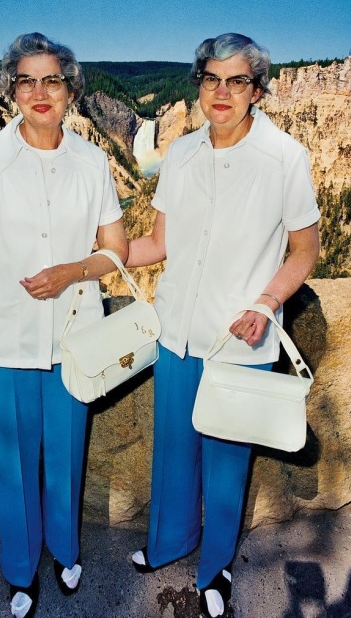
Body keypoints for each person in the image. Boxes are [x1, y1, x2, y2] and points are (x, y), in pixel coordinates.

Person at [126, 33, 320, 618]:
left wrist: (266, 303)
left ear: (257, 89)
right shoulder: (180, 154)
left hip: (239, 336)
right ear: (199, 84)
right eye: (212, 78)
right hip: (176, 329)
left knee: (228, 458)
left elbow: (305, 250)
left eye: (237, 81)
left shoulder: (285, 157)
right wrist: (97, 247)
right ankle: (169, 543)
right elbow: (158, 243)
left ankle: (215, 570)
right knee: (174, 449)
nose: (222, 91)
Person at [0, 32, 128, 618]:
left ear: (71, 89)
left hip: (74, 341)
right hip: (4, 342)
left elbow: (117, 252)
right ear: (11, 90)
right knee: (15, 465)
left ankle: (66, 551)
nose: (39, 92)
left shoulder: (93, 161)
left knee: (68, 456)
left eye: (52, 80)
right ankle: (20, 573)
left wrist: (72, 271)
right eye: (27, 80)